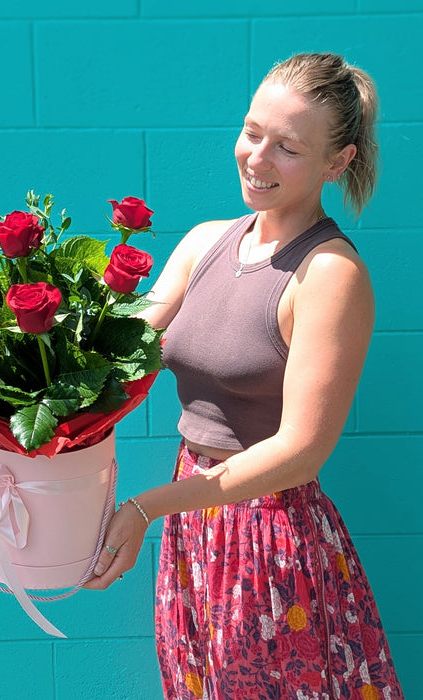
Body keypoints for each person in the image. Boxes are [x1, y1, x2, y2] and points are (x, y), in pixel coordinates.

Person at [84, 52, 405, 700]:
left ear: (335, 163)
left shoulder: (328, 274)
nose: (256, 158)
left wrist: (147, 507)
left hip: (267, 539)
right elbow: (109, 362)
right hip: (191, 527)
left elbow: (300, 452)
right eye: (252, 132)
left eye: (286, 147)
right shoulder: (204, 242)